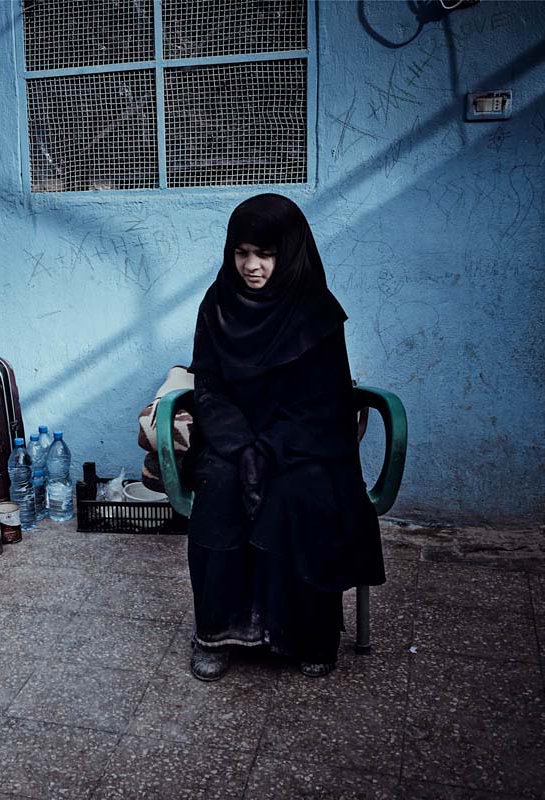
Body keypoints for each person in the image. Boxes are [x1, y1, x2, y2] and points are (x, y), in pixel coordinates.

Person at [184, 194, 384, 681]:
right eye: (242, 252)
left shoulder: (315, 311)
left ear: (289, 253)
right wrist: (240, 446)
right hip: (234, 439)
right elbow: (208, 384)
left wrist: (270, 449)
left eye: (266, 254)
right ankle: (217, 631)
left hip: (303, 442)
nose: (251, 266)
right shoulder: (217, 305)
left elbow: (324, 400)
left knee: (304, 495)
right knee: (220, 487)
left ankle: (306, 636)